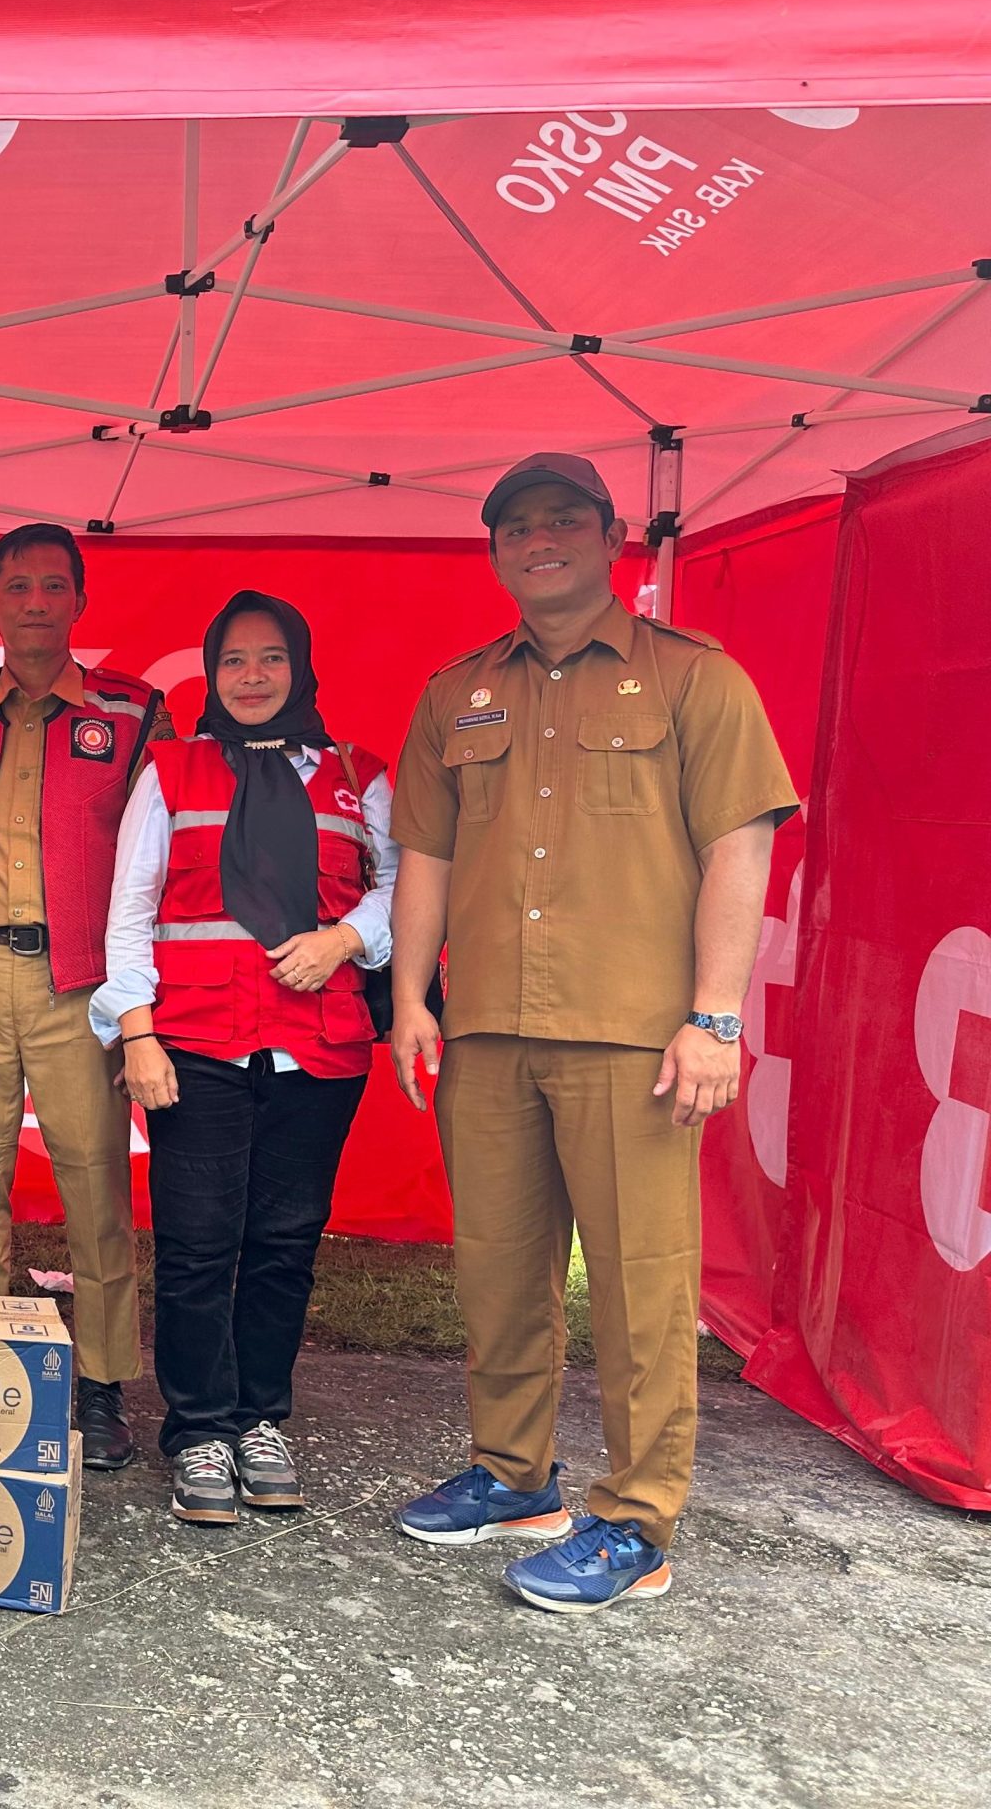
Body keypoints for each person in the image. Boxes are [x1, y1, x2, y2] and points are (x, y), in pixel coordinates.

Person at [388, 452, 793, 1612]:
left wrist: (713, 1019)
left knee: (637, 1284)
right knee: (500, 1272)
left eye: (563, 518)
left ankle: (636, 1520)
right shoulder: (457, 693)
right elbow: (425, 854)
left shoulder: (692, 680)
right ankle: (513, 1476)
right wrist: (413, 998)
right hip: (487, 1031)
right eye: (516, 525)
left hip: (635, 1035)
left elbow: (739, 852)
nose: (539, 537)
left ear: (611, 537)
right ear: (496, 551)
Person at [95, 590, 397, 1523]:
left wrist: (345, 938)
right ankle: (197, 1429)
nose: (253, 677)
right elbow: (130, 910)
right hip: (195, 1041)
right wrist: (135, 1031)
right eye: (233, 662)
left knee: (283, 1244)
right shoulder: (171, 770)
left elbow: (403, 891)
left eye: (270, 660)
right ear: (212, 674)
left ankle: (260, 1417)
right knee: (195, 1245)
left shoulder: (359, 772)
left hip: (320, 1048)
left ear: (301, 669)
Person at [0, 523, 164, 1471]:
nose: (33, 602)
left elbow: (157, 859)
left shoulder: (134, 712)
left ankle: (100, 1386)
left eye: (52, 586)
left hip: (83, 980)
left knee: (95, 1185)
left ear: (79, 603)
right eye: (15, 586)